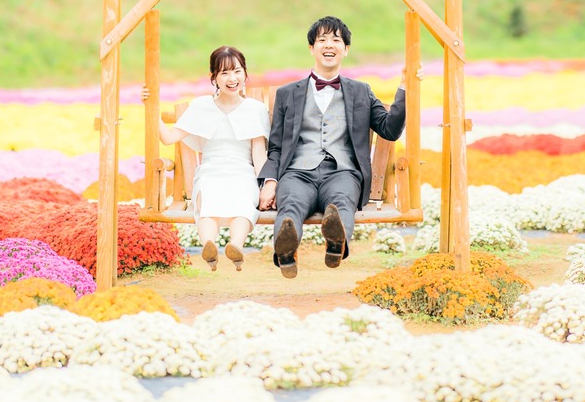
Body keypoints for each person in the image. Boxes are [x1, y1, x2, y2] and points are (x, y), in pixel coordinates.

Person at [257, 15, 410, 279]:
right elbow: (276, 147)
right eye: (322, 39)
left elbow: (389, 129)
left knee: (340, 203)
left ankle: (336, 244)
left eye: (336, 40)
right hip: (297, 172)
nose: (329, 44)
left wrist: (406, 88)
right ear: (311, 48)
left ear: (346, 49)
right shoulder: (287, 94)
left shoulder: (361, 92)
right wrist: (270, 181)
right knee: (290, 203)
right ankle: (286, 252)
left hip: (342, 172)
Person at [143, 46, 269, 271]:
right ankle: (208, 246)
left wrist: (264, 185)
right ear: (214, 78)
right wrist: (149, 107)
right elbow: (168, 137)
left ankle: (236, 246)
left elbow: (259, 153)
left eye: (237, 71)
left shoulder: (255, 109)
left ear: (245, 74)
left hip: (242, 171)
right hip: (210, 170)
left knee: (243, 200)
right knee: (208, 200)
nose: (232, 78)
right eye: (224, 73)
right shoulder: (202, 106)